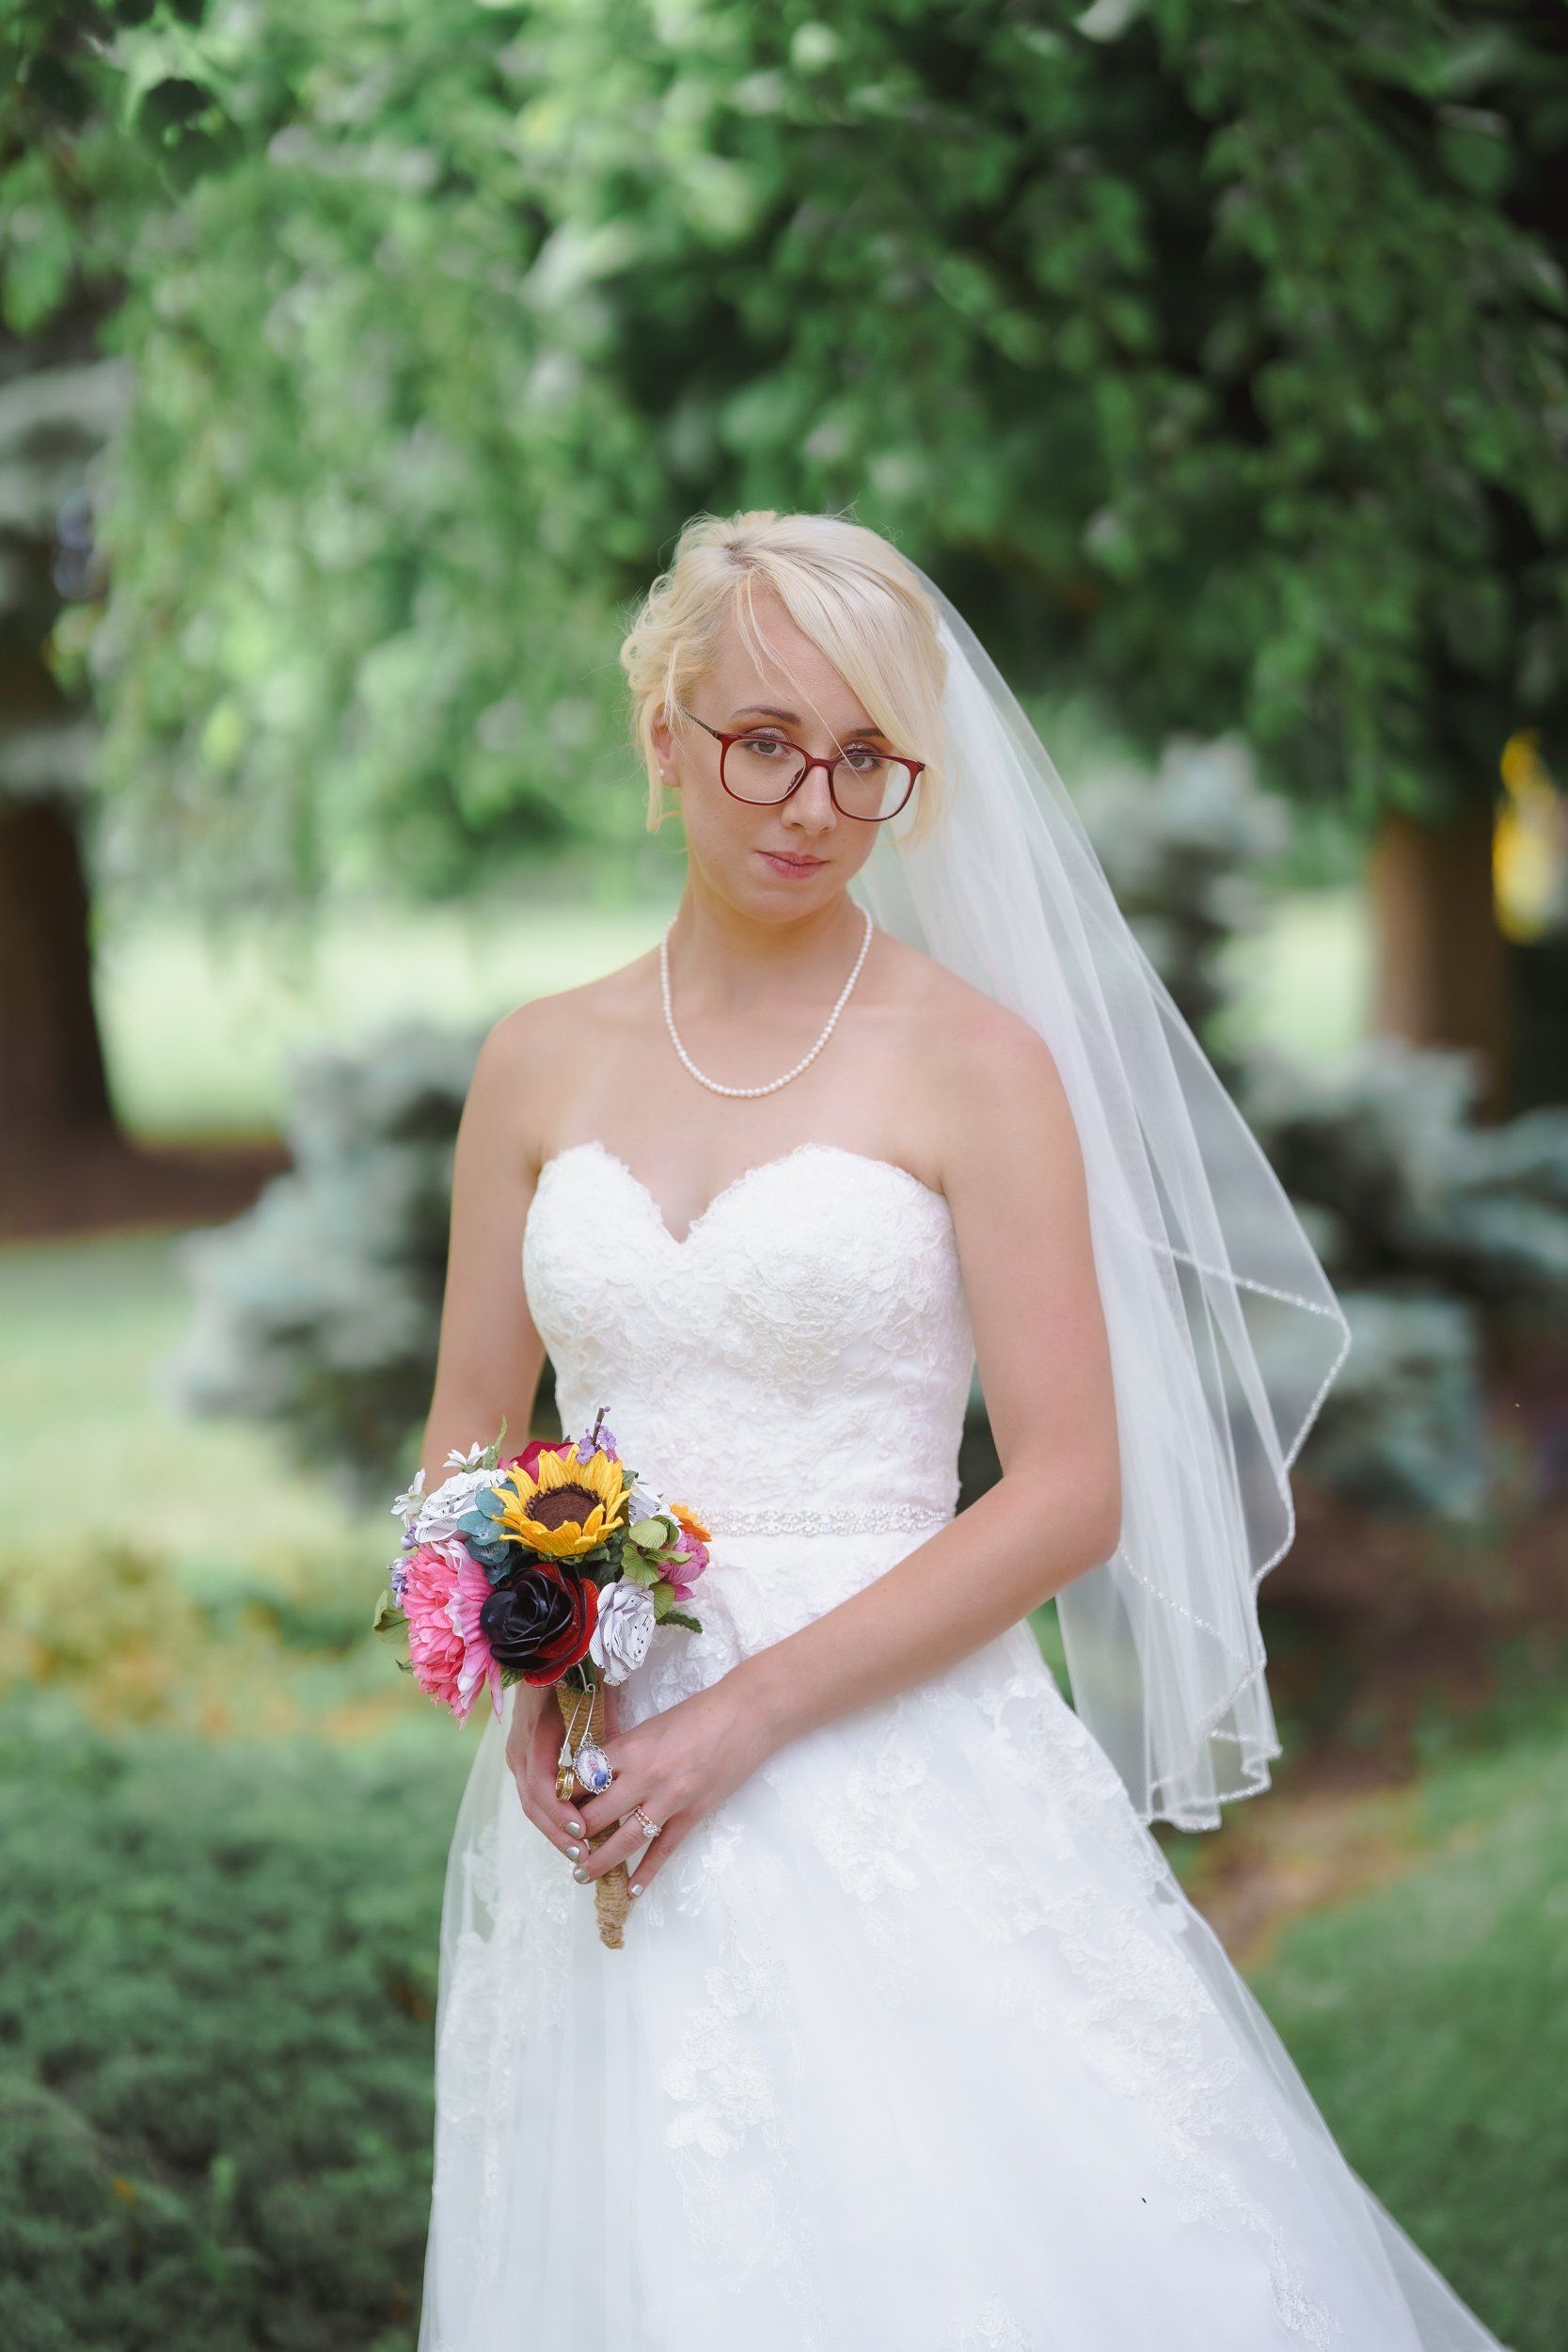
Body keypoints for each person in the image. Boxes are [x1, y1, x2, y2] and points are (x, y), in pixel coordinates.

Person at [412, 509, 1515, 2349]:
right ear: (665, 730)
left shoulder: (977, 1063)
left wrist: (745, 1710)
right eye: (766, 736)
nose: (811, 800)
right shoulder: (535, 1062)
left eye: (865, 758)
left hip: (893, 1759)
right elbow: (465, 1437)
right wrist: (527, 1665)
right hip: (598, 1788)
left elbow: (1073, 1489)